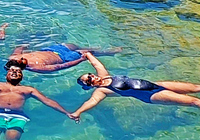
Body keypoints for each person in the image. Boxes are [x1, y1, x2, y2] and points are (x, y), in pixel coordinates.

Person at [71, 53, 200, 120]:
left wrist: (87, 55)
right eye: (88, 80)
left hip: (156, 85)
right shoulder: (102, 91)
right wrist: (78, 112)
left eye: (89, 75)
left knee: (196, 87)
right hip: (152, 95)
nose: (92, 77)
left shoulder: (104, 76)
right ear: (89, 86)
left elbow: (97, 65)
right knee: (194, 101)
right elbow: (92, 101)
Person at [8, 43, 122, 73]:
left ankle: (94, 49)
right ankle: (108, 52)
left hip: (51, 50)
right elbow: (61, 66)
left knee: (72, 45)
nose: (20, 58)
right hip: (64, 57)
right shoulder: (36, 67)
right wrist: (80, 60)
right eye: (20, 62)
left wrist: (22, 46)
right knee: (85, 52)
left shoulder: (14, 57)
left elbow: (18, 49)